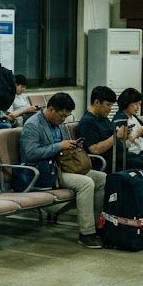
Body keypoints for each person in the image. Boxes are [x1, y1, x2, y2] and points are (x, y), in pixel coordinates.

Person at [21, 93, 107, 249]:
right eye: (62, 116)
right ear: (52, 109)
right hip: (45, 172)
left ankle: (97, 227)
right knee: (86, 183)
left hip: (63, 167)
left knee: (101, 178)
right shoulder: (33, 125)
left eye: (67, 116)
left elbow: (61, 146)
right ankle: (86, 233)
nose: (63, 120)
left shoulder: (59, 124)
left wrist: (71, 145)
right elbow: (31, 153)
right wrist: (59, 146)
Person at [77, 86, 143, 179]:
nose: (110, 108)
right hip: (111, 162)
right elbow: (95, 150)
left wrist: (124, 135)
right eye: (108, 105)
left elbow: (113, 137)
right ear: (97, 102)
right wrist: (116, 136)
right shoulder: (87, 122)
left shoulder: (103, 118)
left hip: (124, 156)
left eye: (112, 105)